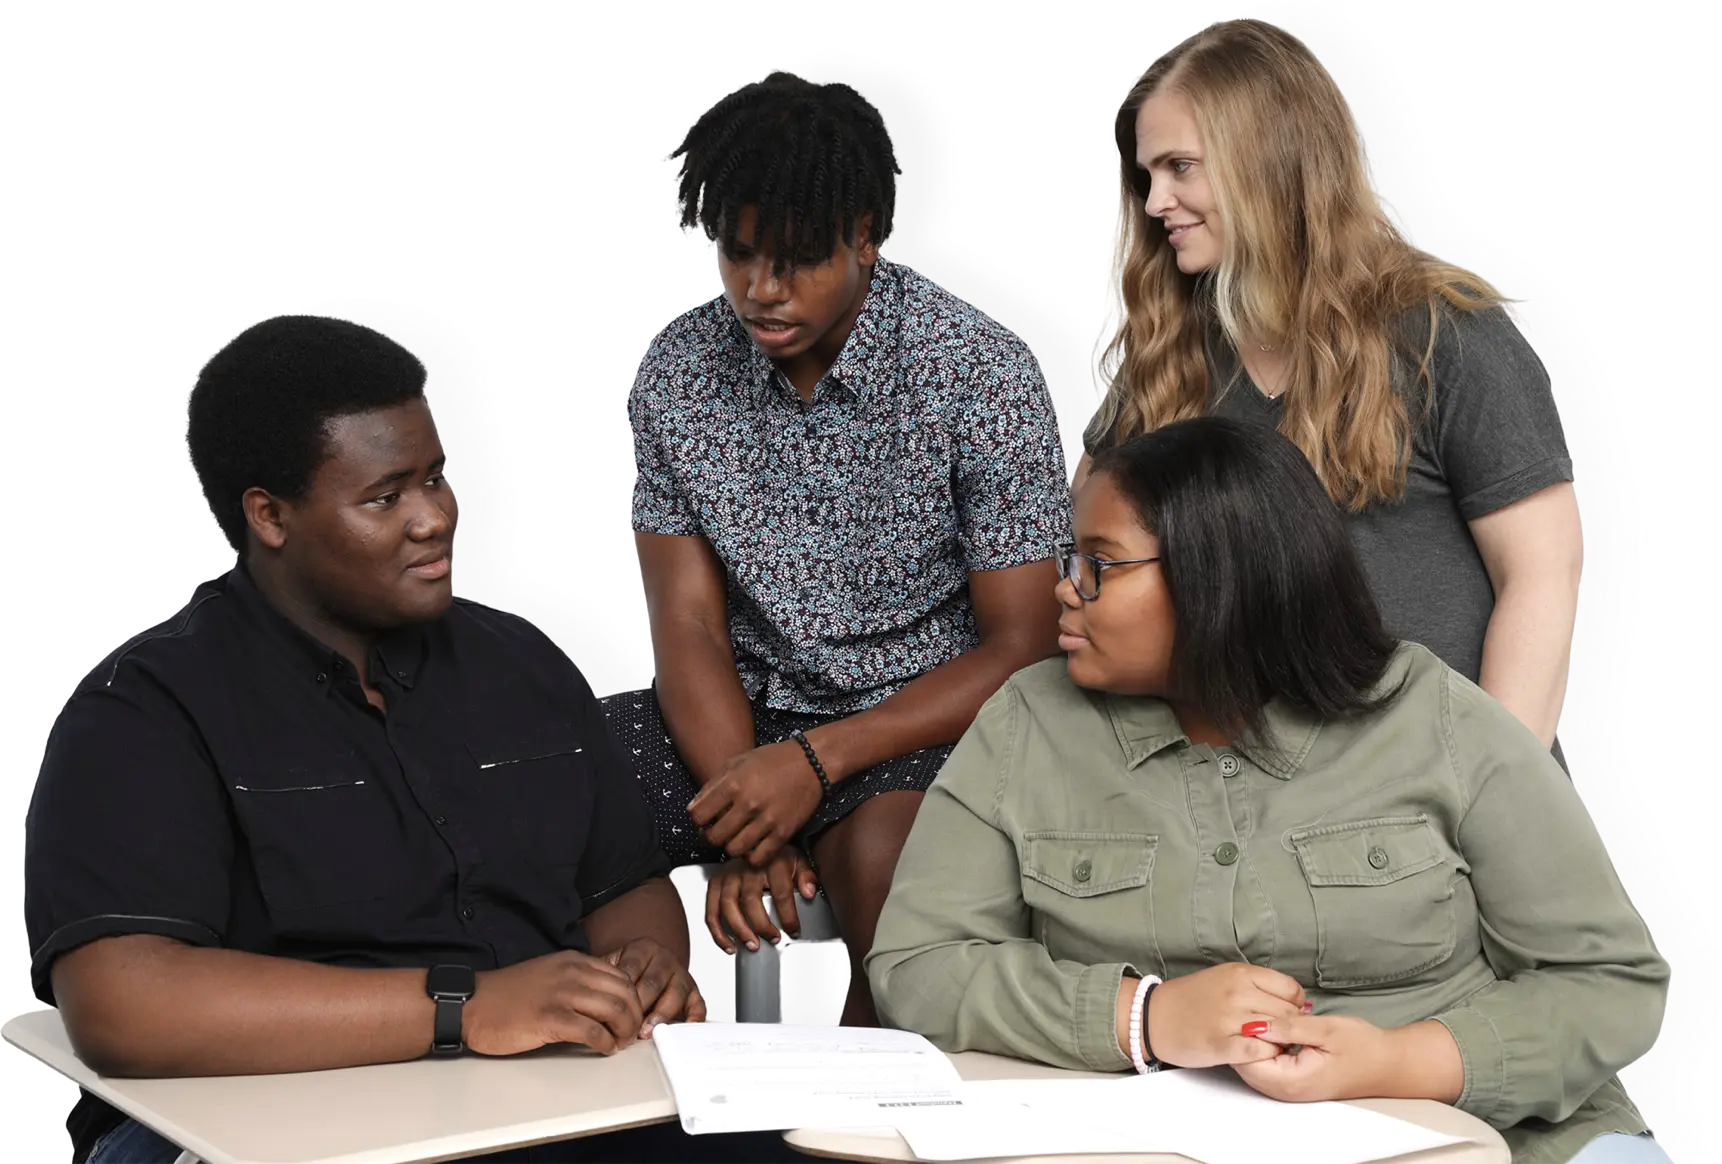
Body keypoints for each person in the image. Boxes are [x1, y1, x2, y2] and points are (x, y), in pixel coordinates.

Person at [24, 316, 798, 1164]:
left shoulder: (522, 666)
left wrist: (641, 959)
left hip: (548, 1103)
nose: (433, 518)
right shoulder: (144, 711)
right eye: (385, 497)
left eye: (435, 478)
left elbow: (622, 880)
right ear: (270, 516)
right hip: (262, 1123)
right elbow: (121, 1006)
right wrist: (463, 1007)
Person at [868, 418, 1670, 1163]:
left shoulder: (1435, 716)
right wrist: (1145, 1019)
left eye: (1099, 565)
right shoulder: (1026, 726)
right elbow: (919, 965)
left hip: (1498, 1137)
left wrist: (1401, 1060)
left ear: (1218, 577)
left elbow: (1609, 980)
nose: (1064, 589)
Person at [618, 70, 1069, 1024]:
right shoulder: (679, 373)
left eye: (796, 260)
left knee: (892, 871)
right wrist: (749, 815)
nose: (759, 291)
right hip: (742, 718)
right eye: (737, 256)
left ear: (866, 235)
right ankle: (643, 1072)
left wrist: (815, 766)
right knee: (545, 778)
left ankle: (865, 1117)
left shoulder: (977, 372)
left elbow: (1022, 649)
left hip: (925, 724)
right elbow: (688, 623)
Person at [1078, 19, 1583, 762]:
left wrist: (1491, 790)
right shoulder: (1171, 355)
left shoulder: (1449, 335)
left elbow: (1542, 575)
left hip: (1431, 784)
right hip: (1259, 802)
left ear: (1267, 162)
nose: (1154, 202)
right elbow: (1090, 556)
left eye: (1179, 167)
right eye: (1146, 176)